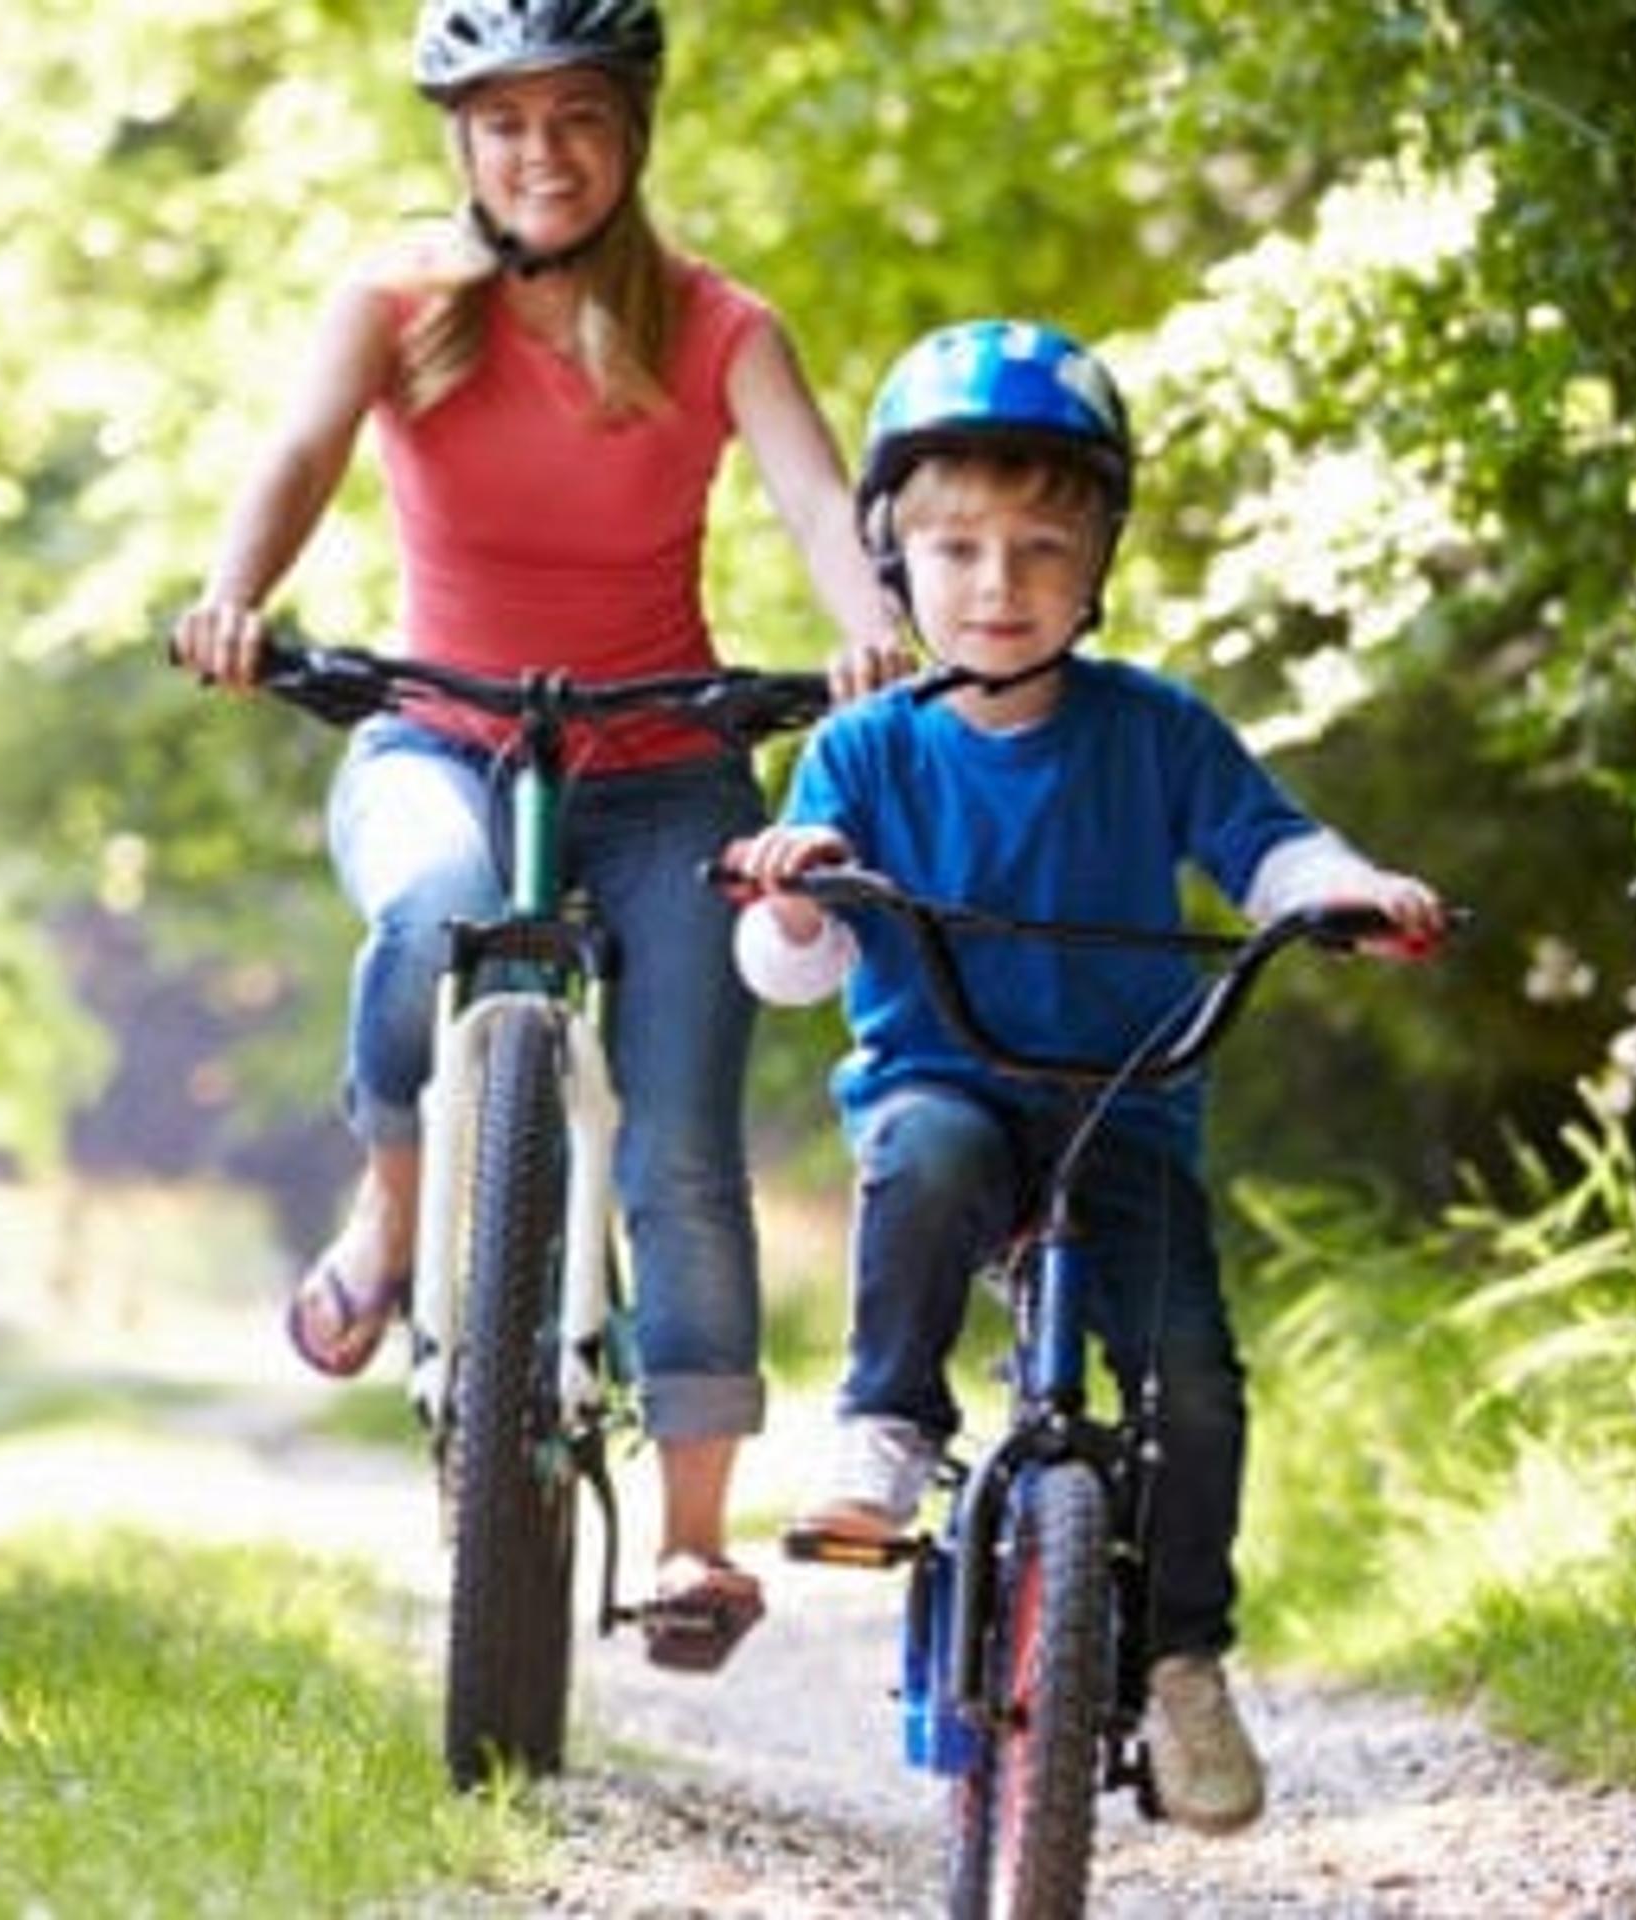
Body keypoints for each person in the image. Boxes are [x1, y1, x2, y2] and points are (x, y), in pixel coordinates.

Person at [167, 0, 908, 1676]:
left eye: (575, 117)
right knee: (428, 913)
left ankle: (698, 1544)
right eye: (503, 123)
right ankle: (394, 1205)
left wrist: (869, 626)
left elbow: (813, 495)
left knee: (683, 1146)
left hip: (664, 764)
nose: (541, 153)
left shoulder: (722, 327)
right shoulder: (399, 304)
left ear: (632, 131)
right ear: (461, 143)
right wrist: (236, 595)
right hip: (440, 732)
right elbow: (295, 454)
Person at [725, 317, 1450, 1832]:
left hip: (1128, 1107)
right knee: (921, 1161)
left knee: (1191, 1378)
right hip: (951, 1085)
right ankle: (889, 1422)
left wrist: (1345, 889)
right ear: (894, 559)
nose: (1000, 587)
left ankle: (1185, 1660)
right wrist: (802, 890)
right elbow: (794, 967)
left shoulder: (1154, 729)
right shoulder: (865, 749)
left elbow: (1268, 845)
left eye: (1045, 549)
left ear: (1101, 558)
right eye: (961, 549)